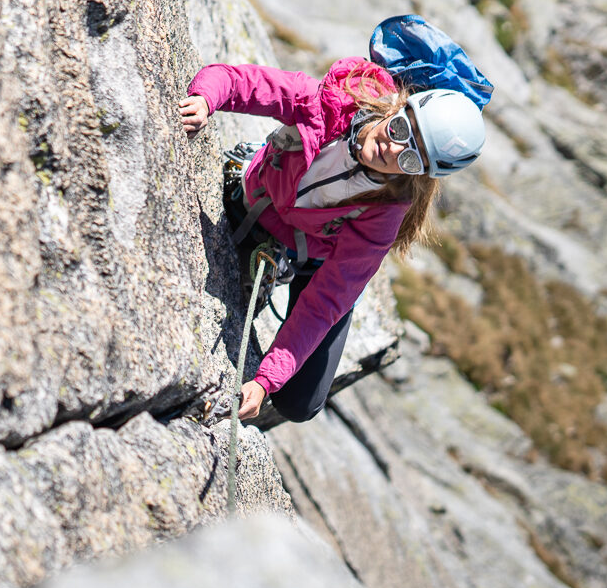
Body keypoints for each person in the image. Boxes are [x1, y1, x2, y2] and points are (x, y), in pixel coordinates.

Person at [178, 56, 485, 424]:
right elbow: (238, 80)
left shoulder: (385, 208)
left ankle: (328, 291)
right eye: (402, 131)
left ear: (420, 175)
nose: (392, 149)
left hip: (314, 258)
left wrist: (264, 381)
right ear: (398, 108)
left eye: (410, 159)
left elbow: (326, 300)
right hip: (264, 205)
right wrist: (204, 100)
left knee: (299, 402)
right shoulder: (328, 105)